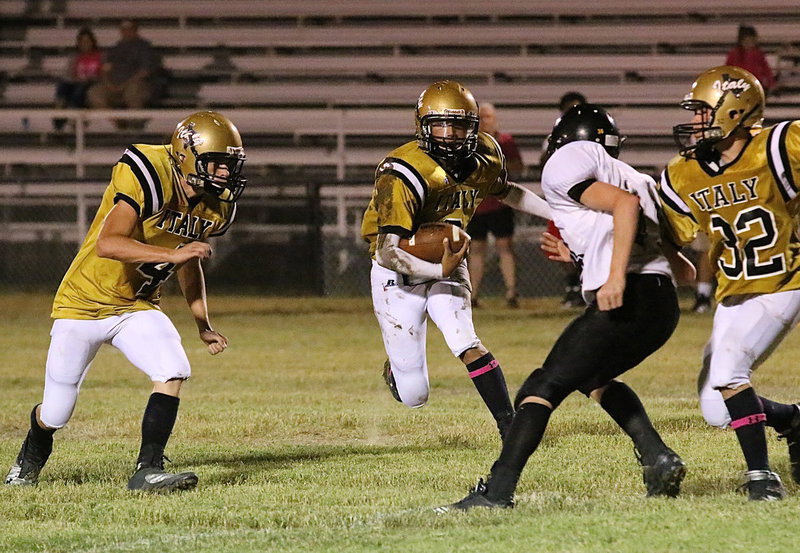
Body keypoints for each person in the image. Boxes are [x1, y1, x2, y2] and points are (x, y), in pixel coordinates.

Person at [444, 104, 694, 511]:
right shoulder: (640, 179)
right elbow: (680, 267)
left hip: (628, 295)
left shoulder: (568, 158)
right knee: (593, 376)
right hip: (661, 306)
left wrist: (613, 276)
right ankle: (656, 456)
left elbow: (624, 207)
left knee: (541, 387)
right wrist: (581, 256)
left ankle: (497, 492)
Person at [5, 111, 246, 493]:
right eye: (217, 165)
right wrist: (176, 255)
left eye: (230, 167)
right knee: (56, 412)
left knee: (173, 369)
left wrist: (202, 323)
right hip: (83, 304)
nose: (224, 175)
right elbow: (108, 243)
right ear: (186, 155)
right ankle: (31, 453)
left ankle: (147, 468)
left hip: (136, 305)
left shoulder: (212, 208)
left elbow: (188, 261)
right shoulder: (149, 172)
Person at [361, 80, 553, 439]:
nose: (449, 135)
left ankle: (509, 426)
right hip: (397, 271)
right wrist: (436, 267)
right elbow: (388, 250)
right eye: (440, 125)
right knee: (414, 394)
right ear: (422, 126)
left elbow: (505, 192)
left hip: (449, 256)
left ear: (474, 126)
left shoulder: (485, 155)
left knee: (463, 337)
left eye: (459, 125)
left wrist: (557, 214)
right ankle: (396, 372)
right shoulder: (401, 171)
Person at [662, 65, 800, 500]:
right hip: (733, 292)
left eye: (704, 111)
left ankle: (761, 477)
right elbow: (670, 233)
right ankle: (793, 420)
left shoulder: (781, 146)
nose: (696, 120)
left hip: (784, 282)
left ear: (734, 110)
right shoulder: (685, 172)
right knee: (717, 409)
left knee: (728, 372)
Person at [466, 102, 524, 308]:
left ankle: (511, 292)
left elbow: (518, 165)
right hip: (476, 204)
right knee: (476, 249)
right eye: (480, 117)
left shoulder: (504, 141)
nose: (483, 121)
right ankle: (472, 295)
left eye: (487, 117)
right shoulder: (468, 142)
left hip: (500, 201)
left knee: (504, 247)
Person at [542, 92, 588, 308]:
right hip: (561, 200)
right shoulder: (554, 136)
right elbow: (544, 163)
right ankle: (572, 286)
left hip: (587, 199)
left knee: (587, 245)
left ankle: (586, 286)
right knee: (556, 244)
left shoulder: (589, 134)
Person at [87, 20, 162, 118]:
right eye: (123, 30)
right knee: (94, 93)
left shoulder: (144, 48)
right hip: (113, 86)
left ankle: (134, 125)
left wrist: (124, 85)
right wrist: (109, 84)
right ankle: (114, 122)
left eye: (129, 29)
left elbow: (144, 71)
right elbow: (105, 70)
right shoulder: (114, 49)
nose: (126, 32)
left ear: (135, 30)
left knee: (133, 92)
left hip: (136, 84)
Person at [54, 28, 102, 131]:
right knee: (63, 86)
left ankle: (72, 118)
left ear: (92, 42)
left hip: (92, 83)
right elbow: (68, 74)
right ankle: (59, 111)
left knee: (80, 90)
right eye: (82, 41)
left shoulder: (99, 57)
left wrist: (89, 79)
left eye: (87, 41)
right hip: (76, 82)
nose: (85, 44)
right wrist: (76, 79)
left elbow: (102, 74)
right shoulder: (75, 57)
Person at [726, 25, 777, 93]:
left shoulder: (758, 54)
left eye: (752, 41)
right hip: (739, 85)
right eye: (747, 42)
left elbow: (766, 69)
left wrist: (771, 83)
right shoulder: (734, 54)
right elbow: (727, 69)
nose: (750, 44)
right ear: (741, 41)